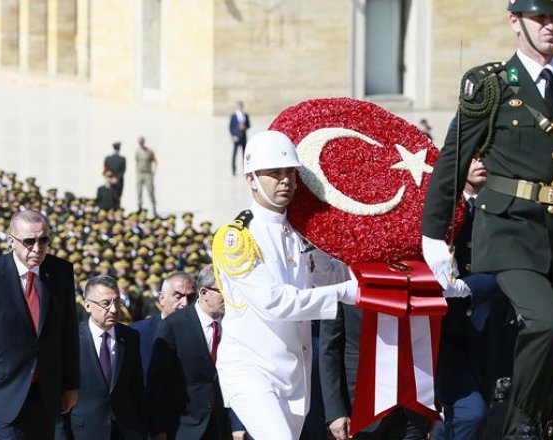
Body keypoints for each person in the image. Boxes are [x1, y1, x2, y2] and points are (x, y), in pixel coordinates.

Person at [420, 0, 553, 436]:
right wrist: (433, 237)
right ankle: (518, 426)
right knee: (548, 322)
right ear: (516, 22)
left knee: (550, 345)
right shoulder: (491, 85)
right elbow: (451, 163)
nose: (551, 25)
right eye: (540, 17)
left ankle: (537, 422)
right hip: (507, 232)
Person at [211, 130, 360, 440]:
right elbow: (276, 303)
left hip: (294, 374)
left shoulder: (300, 232)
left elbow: (328, 276)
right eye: (274, 173)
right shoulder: (236, 237)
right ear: (251, 179)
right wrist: (345, 291)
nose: (285, 181)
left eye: (290, 172)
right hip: (252, 371)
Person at [0, 210, 80, 439]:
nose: (37, 248)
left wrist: (71, 385)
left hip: (46, 390)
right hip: (4, 391)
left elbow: (68, 332)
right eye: (29, 241)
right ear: (11, 240)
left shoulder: (61, 271)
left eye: (44, 240)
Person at [432, 155, 517, 440]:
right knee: (470, 413)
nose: (482, 162)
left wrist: (468, 287)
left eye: (486, 155)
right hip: (448, 332)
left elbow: (512, 265)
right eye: (474, 156)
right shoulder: (440, 206)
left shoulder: (505, 206)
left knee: (481, 419)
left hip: (490, 331)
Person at [319, 262, 430, 440]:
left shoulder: (417, 273)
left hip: (411, 409)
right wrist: (335, 411)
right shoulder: (344, 278)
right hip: (362, 409)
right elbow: (329, 350)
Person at [56, 276, 147, 439]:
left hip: (127, 431)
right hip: (84, 432)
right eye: (106, 303)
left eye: (117, 302)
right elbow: (59, 396)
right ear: (88, 305)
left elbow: (137, 388)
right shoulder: (70, 339)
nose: (113, 309)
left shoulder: (130, 337)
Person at [146, 265, 230, 440]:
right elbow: (157, 383)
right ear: (205, 292)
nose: (230, 296)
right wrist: (158, 429)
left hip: (225, 427)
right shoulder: (173, 325)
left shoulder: (235, 324)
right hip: (184, 427)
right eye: (224, 290)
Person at [131, 272, 195, 376]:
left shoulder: (203, 331)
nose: (185, 304)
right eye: (178, 297)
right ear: (162, 299)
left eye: (191, 297)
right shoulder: (138, 332)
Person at [135, 136, 157, 216]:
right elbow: (136, 162)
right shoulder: (137, 152)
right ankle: (139, 208)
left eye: (142, 142)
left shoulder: (149, 151)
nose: (141, 144)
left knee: (151, 191)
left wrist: (153, 171)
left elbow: (154, 161)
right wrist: (137, 172)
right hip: (140, 173)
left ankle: (154, 209)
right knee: (139, 191)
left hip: (148, 173)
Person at [229, 101, 250, 176]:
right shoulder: (233, 116)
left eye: (241, 106)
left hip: (243, 137)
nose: (240, 108)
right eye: (238, 106)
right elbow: (231, 127)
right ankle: (233, 170)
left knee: (244, 154)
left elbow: (248, 125)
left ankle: (245, 169)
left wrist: (245, 127)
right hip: (236, 138)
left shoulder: (245, 115)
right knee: (234, 154)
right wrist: (233, 136)